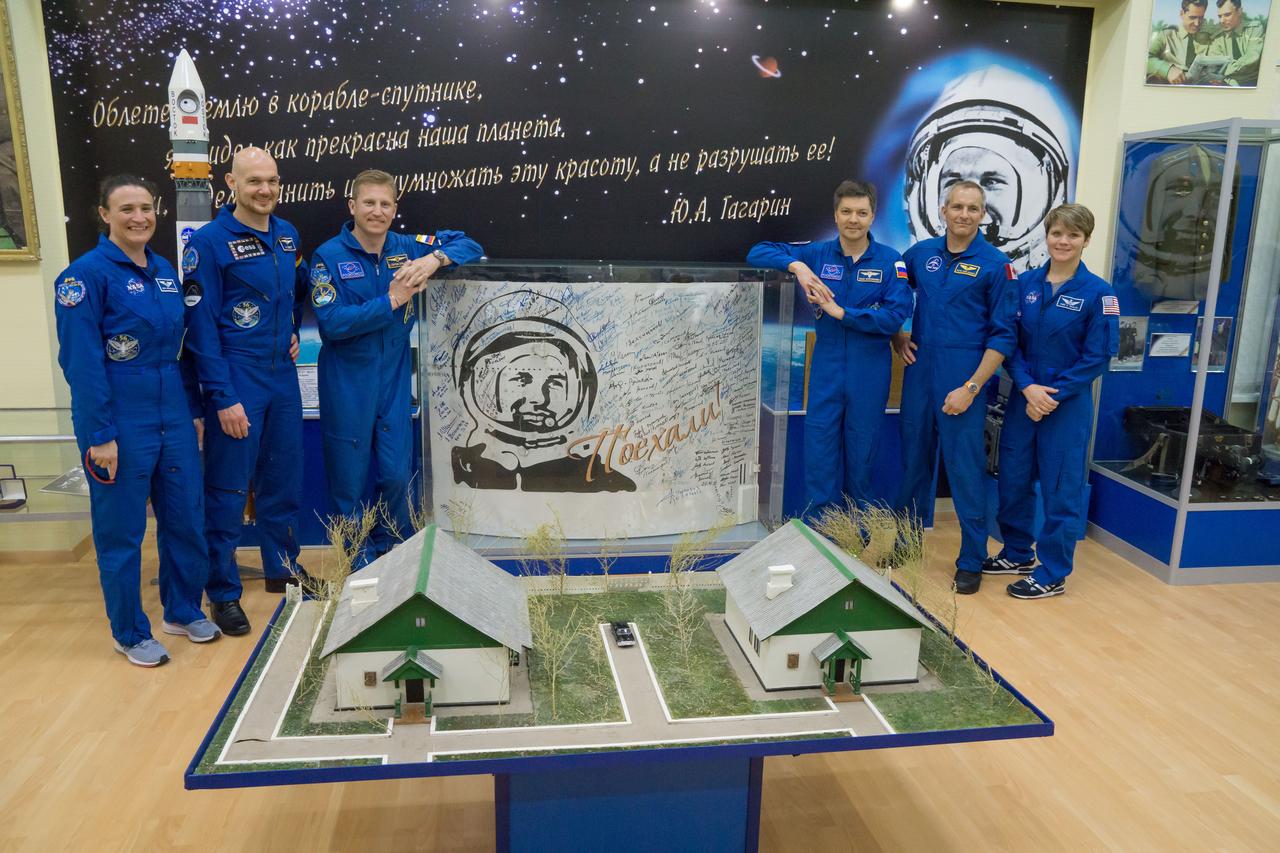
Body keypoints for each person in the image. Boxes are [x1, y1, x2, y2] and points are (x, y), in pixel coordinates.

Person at [53, 174, 221, 666]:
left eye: (146, 208)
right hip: (120, 422)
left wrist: (191, 410)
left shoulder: (166, 271)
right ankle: (127, 632)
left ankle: (183, 608)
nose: (139, 217)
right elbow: (81, 366)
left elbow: (180, 351)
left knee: (185, 518)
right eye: (126, 209)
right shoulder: (82, 278)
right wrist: (99, 435)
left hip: (173, 415)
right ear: (104, 215)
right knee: (122, 533)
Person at [310, 169, 483, 566]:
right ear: (352, 206)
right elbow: (333, 324)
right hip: (347, 380)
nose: (377, 211)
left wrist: (433, 260)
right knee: (349, 481)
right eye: (368, 203)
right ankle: (357, 562)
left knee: (395, 473)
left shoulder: (407, 247)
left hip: (393, 377)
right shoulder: (328, 256)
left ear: (394, 209)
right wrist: (392, 299)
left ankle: (397, 554)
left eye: (385, 203)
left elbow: (468, 244)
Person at [183, 148, 309, 636]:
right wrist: (222, 396)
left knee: (282, 481)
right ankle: (223, 592)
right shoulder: (210, 243)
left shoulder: (286, 234)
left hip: (281, 378)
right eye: (255, 180)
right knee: (230, 488)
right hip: (237, 379)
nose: (265, 190)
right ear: (230, 182)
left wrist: (292, 329)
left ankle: (283, 570)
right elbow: (199, 327)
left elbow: (293, 292)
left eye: (273, 181)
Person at [747, 181, 912, 517]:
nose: (854, 219)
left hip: (869, 373)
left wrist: (843, 313)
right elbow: (758, 251)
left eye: (862, 213)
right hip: (826, 368)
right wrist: (798, 266)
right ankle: (819, 533)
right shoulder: (817, 254)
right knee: (819, 452)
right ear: (835, 215)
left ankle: (856, 533)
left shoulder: (891, 262)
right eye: (847, 212)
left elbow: (896, 315)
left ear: (873, 216)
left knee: (862, 455)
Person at [986, 204, 1119, 599]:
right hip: (1024, 401)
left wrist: (1050, 396)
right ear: (1047, 235)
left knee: (1062, 490)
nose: (1064, 241)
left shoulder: (1099, 294)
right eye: (1057, 233)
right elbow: (1010, 345)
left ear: (1086, 240)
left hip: (1067, 407)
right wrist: (1028, 388)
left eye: (1073, 235)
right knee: (1012, 480)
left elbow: (1097, 357)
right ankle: (1016, 552)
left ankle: (1053, 572)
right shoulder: (1025, 284)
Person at [893, 181, 1019, 595]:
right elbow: (891, 294)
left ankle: (971, 558)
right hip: (920, 375)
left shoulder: (995, 265)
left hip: (964, 378)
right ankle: (906, 541)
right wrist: (896, 333)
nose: (964, 214)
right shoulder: (920, 255)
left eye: (973, 208)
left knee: (965, 473)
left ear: (984, 214)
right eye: (957, 207)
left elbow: (1003, 337)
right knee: (913, 463)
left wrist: (971, 386)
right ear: (943, 210)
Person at [1148, 0, 1213, 85]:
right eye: (1192, 17)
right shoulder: (1166, 35)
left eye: (1201, 17)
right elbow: (1145, 58)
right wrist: (1167, 70)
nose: (1197, 23)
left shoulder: (1207, 38)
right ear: (1182, 13)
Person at [1207, 0, 1265, 87]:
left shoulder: (1254, 29)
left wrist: (1225, 70)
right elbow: (1214, 65)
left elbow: (1252, 57)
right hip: (1228, 83)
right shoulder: (1217, 39)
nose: (1222, 20)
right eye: (1220, 16)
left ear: (1239, 11)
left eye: (1227, 15)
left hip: (1254, 82)